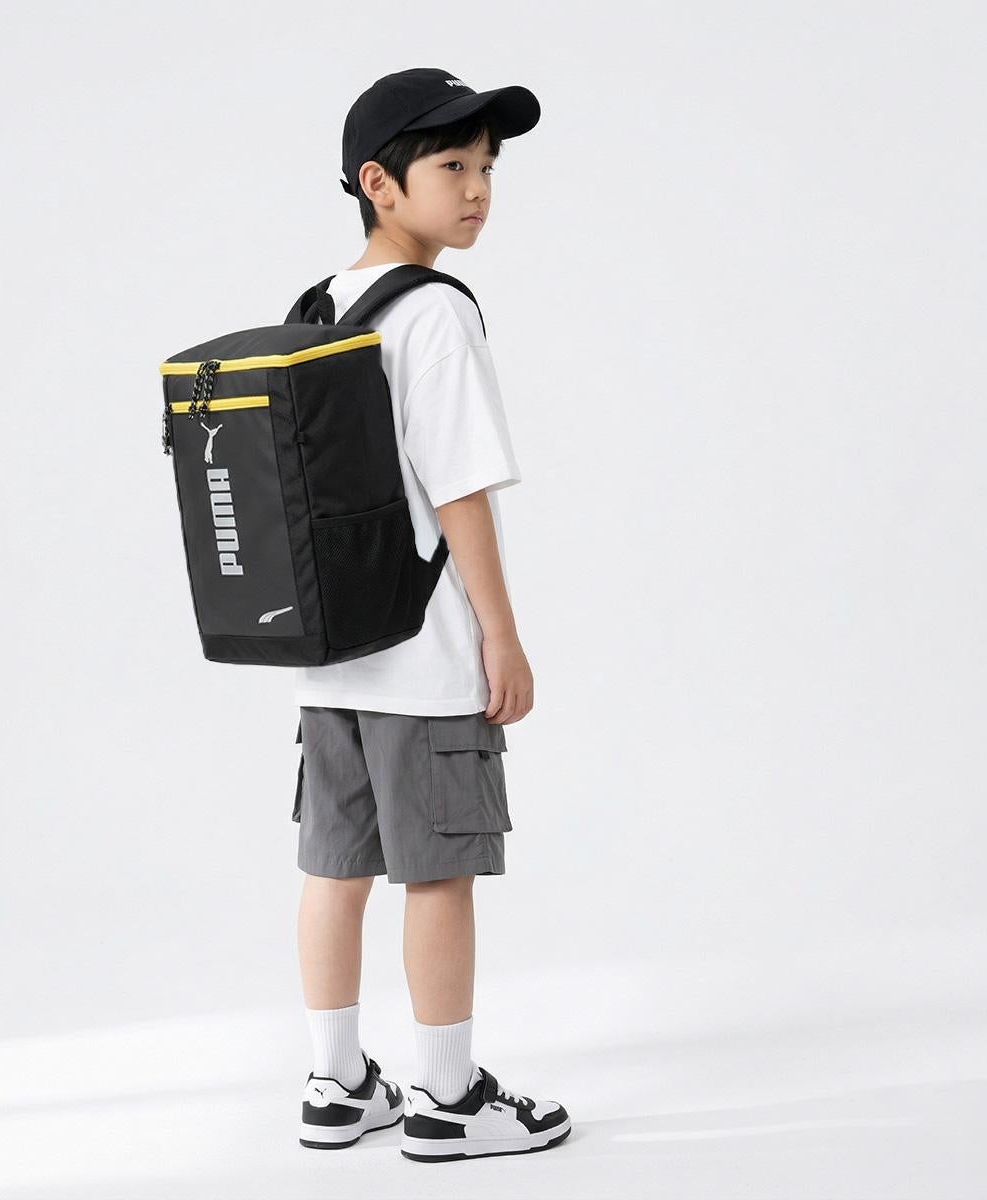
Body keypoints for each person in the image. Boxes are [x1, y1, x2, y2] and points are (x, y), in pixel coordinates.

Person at [292, 68, 571, 1162]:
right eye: (452, 165)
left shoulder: (317, 304)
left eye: (487, 166)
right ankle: (448, 1101)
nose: (478, 188)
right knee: (439, 872)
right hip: (424, 654)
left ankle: (335, 1083)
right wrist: (501, 633)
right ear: (379, 182)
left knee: (334, 870)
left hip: (329, 656)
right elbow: (460, 489)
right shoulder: (435, 314)